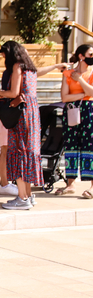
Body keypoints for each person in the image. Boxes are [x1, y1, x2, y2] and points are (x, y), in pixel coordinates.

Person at [0, 61, 68, 196]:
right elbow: (36, 72)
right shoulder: (27, 74)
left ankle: (21, 195)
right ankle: (24, 195)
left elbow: (13, 92)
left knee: (16, 152)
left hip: (17, 116)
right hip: (23, 116)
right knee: (14, 151)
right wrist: (55, 66)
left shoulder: (18, 69)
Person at [0, 41, 42, 210]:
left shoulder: (17, 66)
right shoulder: (31, 68)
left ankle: (22, 198)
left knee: (18, 152)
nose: (4, 58)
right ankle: (28, 195)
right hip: (32, 112)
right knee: (28, 152)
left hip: (20, 113)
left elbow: (14, 92)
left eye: (4, 54)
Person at [55, 44, 93, 198]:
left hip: (89, 111)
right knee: (71, 145)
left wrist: (80, 81)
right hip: (71, 111)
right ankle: (70, 184)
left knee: (90, 146)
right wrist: (84, 94)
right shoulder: (68, 73)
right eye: (90, 54)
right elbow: (64, 97)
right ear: (81, 56)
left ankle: (92, 186)